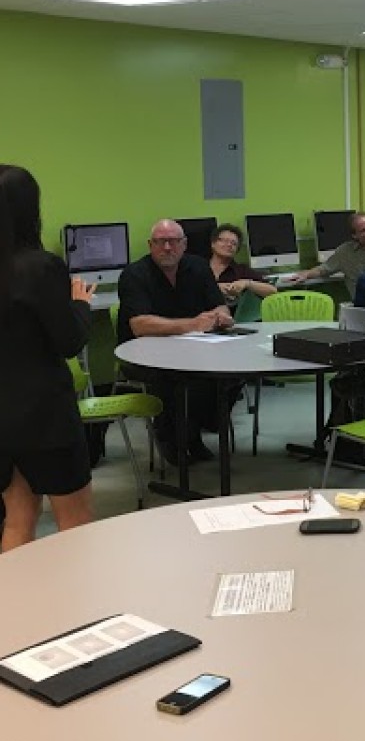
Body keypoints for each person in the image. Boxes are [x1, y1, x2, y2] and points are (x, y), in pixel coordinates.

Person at [0, 164, 95, 550]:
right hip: (45, 417)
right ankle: (80, 610)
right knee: (76, 524)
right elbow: (69, 341)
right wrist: (80, 303)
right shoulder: (40, 267)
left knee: (17, 521)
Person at [117, 218, 233, 465]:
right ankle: (170, 438)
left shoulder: (199, 268)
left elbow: (218, 305)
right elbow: (140, 325)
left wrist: (221, 316)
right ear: (150, 245)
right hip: (143, 356)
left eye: (173, 241)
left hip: (193, 351)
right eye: (161, 242)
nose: (167, 248)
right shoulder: (134, 275)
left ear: (184, 244)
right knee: (175, 379)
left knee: (226, 377)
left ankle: (193, 433)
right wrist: (193, 324)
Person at [208, 223, 276, 304]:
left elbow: (272, 291)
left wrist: (247, 283)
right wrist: (215, 288)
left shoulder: (241, 270)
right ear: (213, 243)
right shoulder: (197, 267)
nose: (229, 245)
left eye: (234, 243)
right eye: (225, 240)